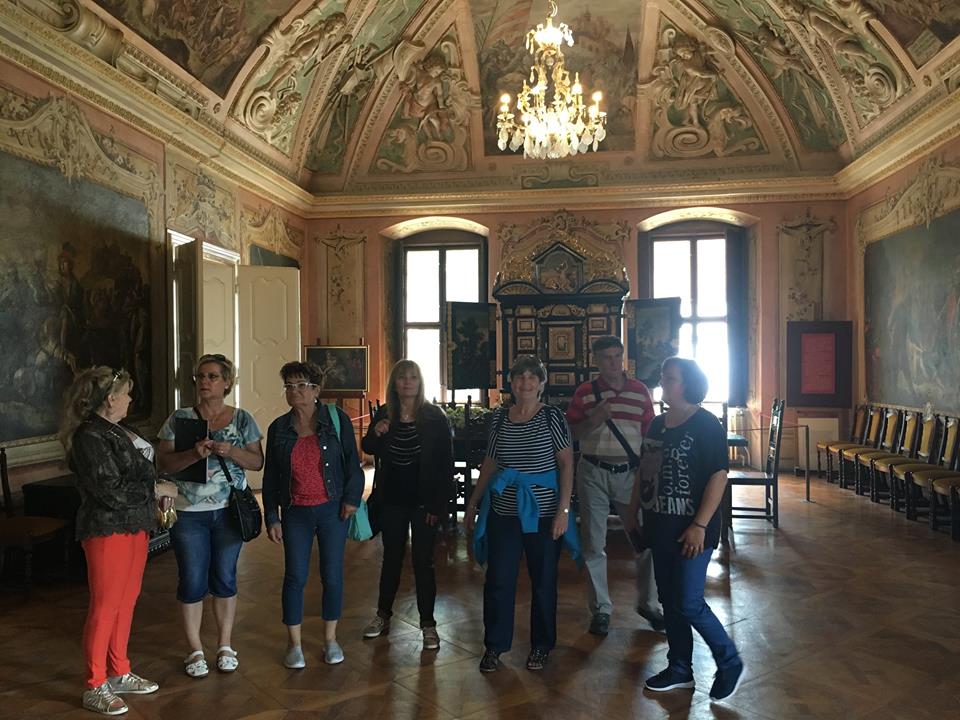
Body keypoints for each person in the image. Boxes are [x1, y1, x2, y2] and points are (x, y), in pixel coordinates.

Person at [61, 367, 179, 716]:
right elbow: (108, 490)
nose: (130, 399)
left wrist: (160, 489)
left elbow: (141, 471)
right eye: (126, 393)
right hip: (106, 529)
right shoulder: (89, 436)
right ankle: (95, 683)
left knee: (126, 602)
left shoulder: (121, 429)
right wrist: (155, 489)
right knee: (105, 605)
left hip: (136, 525)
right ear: (110, 399)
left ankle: (119, 670)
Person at [630, 357, 743, 701]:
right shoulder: (657, 424)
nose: (663, 383)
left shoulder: (706, 424)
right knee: (669, 600)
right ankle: (680, 669)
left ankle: (729, 660)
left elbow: (718, 476)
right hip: (659, 525)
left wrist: (699, 524)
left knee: (689, 602)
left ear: (687, 384)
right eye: (664, 378)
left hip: (692, 529)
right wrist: (633, 512)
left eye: (670, 378)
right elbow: (645, 472)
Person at [465, 355, 576, 673]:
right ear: (511, 384)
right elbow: (490, 463)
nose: (525, 382)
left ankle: (541, 645)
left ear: (541, 384)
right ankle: (495, 645)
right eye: (519, 377)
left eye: (531, 377)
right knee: (498, 580)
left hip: (543, 513)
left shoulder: (552, 417)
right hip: (504, 512)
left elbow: (566, 463)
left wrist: (563, 510)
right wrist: (473, 503)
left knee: (543, 580)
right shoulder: (500, 418)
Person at [157, 354, 263, 679]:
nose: (205, 382)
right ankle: (194, 649)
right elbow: (163, 463)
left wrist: (231, 451)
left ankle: (225, 645)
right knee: (192, 579)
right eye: (200, 376)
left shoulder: (242, 419)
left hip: (229, 511)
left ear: (227, 382)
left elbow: (257, 462)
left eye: (213, 376)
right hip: (188, 513)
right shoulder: (180, 419)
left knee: (225, 577)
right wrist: (193, 453)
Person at [262, 361, 364, 668]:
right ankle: (294, 644)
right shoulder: (278, 428)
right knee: (295, 576)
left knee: (332, 574)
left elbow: (352, 462)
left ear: (316, 390)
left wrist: (352, 498)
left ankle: (330, 639)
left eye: (301, 385)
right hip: (295, 512)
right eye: (289, 386)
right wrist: (272, 516)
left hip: (332, 509)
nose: (294, 391)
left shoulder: (336, 420)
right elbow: (270, 477)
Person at [565, 336, 663, 637]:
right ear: (596, 360)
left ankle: (649, 604)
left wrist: (651, 473)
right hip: (592, 472)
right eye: (606, 357)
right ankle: (601, 610)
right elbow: (570, 434)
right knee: (594, 543)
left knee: (644, 540)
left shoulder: (639, 391)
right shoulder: (584, 393)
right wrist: (594, 419)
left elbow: (651, 434)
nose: (613, 362)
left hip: (629, 475)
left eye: (617, 356)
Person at [360, 360, 454, 650]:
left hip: (424, 502)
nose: (408, 382)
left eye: (413, 377)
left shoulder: (434, 417)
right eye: (402, 377)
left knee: (424, 562)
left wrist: (437, 506)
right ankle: (382, 615)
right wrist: (377, 432)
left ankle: (428, 624)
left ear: (420, 382)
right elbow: (368, 447)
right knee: (391, 559)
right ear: (395, 383)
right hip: (392, 499)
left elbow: (446, 465)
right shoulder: (385, 413)